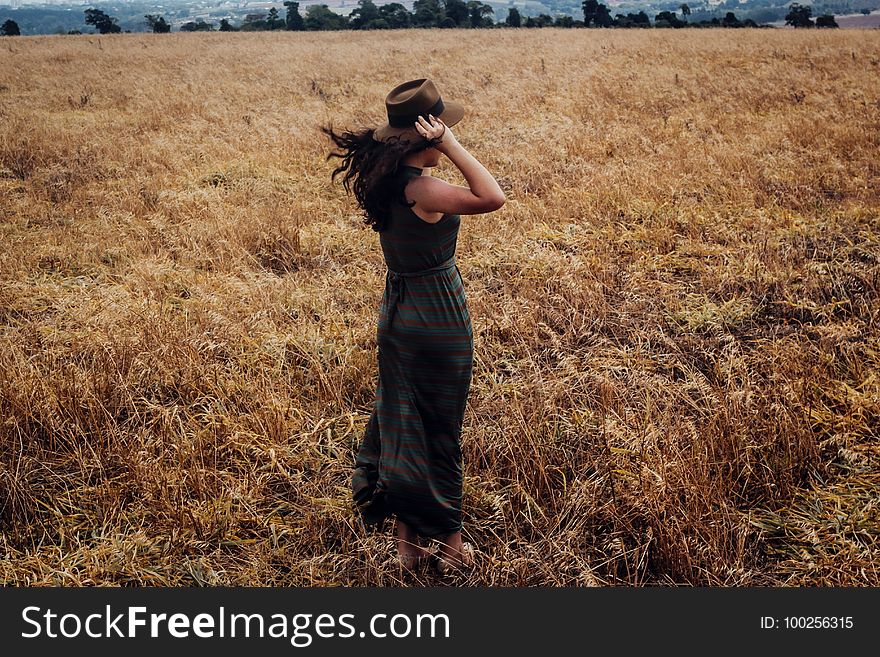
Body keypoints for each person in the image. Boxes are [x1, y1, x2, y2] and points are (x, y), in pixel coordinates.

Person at [322, 78, 505, 577]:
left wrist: (439, 143)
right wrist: (453, 145)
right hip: (437, 317)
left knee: (402, 424)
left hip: (398, 313)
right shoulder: (424, 188)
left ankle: (407, 546)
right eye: (442, 130)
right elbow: (493, 197)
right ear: (427, 136)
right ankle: (449, 544)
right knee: (440, 430)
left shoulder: (388, 182)